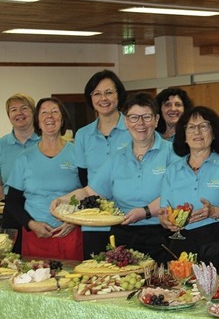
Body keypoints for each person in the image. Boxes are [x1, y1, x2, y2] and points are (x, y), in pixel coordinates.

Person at [52, 93, 179, 264]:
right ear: (126, 122)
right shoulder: (116, 158)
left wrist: (145, 212)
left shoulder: (173, 153)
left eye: (146, 117)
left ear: (156, 120)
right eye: (134, 117)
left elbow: (178, 192)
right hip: (123, 236)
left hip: (162, 233)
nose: (140, 124)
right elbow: (90, 191)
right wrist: (63, 200)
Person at [159, 106, 219, 274]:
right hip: (182, 248)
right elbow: (165, 211)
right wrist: (165, 221)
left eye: (204, 126)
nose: (197, 132)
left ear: (214, 132)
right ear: (183, 135)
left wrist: (215, 211)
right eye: (191, 127)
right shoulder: (172, 171)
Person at [6, 98, 82, 260]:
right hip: (36, 235)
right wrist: (32, 224)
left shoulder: (78, 153)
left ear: (62, 120)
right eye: (44, 113)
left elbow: (91, 193)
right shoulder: (24, 159)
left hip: (70, 233)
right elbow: (12, 201)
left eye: (55, 112)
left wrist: (75, 221)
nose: (50, 116)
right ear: (37, 122)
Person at [74, 70, 131, 258]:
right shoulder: (82, 135)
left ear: (119, 95)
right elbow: (83, 177)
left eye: (109, 92)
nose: (103, 98)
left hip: (130, 217)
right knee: (96, 276)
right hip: (94, 219)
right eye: (96, 94)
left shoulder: (134, 128)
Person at [0, 93, 40, 252]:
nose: (19, 113)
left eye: (24, 108)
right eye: (13, 110)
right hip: (13, 207)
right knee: (12, 255)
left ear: (33, 113)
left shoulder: (46, 141)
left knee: (38, 256)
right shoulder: (2, 144)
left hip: (39, 206)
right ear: (9, 115)